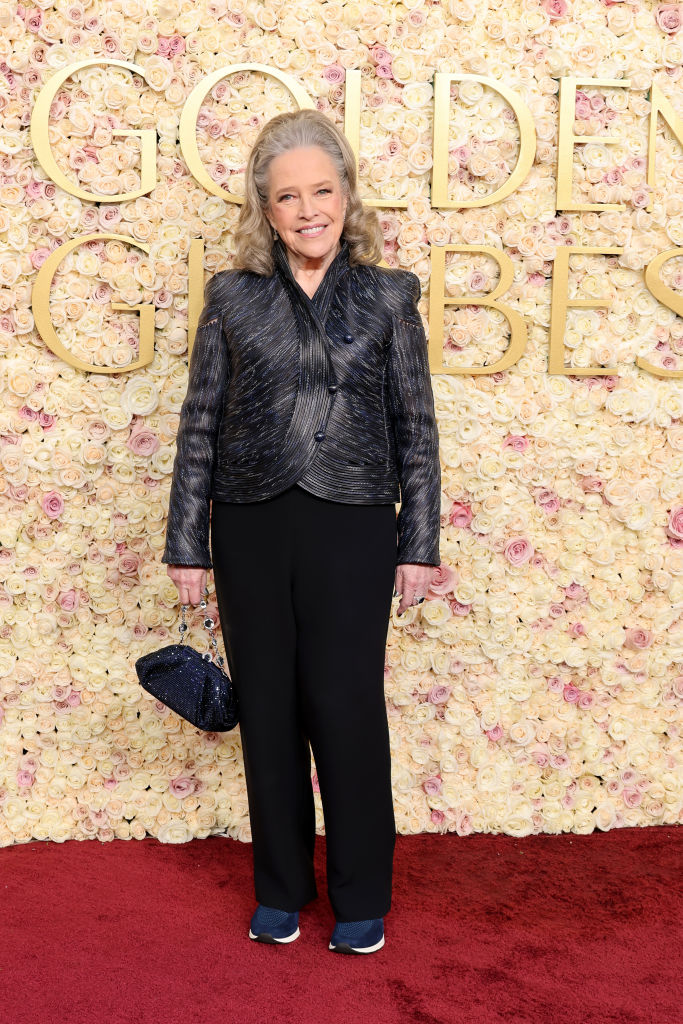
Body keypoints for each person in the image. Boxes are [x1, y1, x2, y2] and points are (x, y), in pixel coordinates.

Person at [161, 109, 441, 955]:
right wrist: (187, 545)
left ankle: (361, 896)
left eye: (322, 189)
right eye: (288, 195)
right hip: (248, 526)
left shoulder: (390, 295)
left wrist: (417, 543)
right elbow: (200, 419)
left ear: (347, 195)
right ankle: (279, 888)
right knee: (271, 714)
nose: (308, 208)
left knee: (347, 708)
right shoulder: (232, 297)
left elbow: (415, 427)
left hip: (354, 524)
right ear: (266, 207)